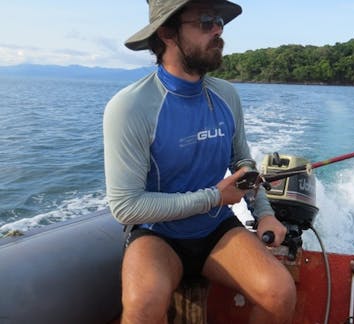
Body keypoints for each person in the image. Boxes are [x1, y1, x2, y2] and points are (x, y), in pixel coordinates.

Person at [102, 0, 296, 323]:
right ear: (167, 33)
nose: (219, 30)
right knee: (142, 307)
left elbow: (242, 164)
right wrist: (215, 197)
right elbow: (125, 206)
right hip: (158, 235)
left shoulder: (226, 96)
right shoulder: (131, 107)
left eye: (219, 21)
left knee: (280, 292)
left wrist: (264, 213)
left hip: (215, 230)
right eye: (206, 21)